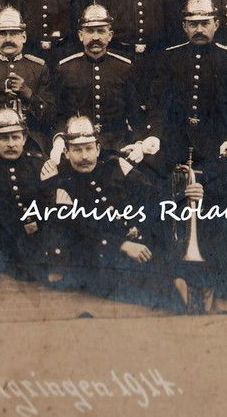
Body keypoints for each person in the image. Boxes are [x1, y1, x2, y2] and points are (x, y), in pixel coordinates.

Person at [144, 0, 227, 302]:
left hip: (217, 151)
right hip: (176, 149)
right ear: (184, 26)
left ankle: (220, 273)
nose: (200, 28)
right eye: (193, 23)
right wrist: (153, 136)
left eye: (206, 22)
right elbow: (156, 106)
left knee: (223, 204)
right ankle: (171, 271)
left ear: (216, 24)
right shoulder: (168, 59)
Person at [46, 116, 171, 308]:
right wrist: (122, 245)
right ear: (66, 152)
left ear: (97, 148)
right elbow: (77, 230)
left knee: (171, 267)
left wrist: (139, 226)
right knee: (139, 286)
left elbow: (152, 196)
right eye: (77, 150)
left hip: (136, 244)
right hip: (97, 256)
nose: (84, 156)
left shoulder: (116, 166)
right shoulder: (61, 182)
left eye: (89, 148)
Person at [0, 107, 57, 281]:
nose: (11, 143)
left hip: (39, 244)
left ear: (25, 138)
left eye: (15, 137)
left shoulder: (41, 165)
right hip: (3, 245)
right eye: (4, 138)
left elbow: (53, 209)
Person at [53, 4, 154, 155]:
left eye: (101, 31)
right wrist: (60, 139)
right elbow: (59, 114)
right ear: (81, 35)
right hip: (78, 145)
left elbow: (135, 113)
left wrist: (139, 143)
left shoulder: (125, 68)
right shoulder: (65, 69)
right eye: (90, 31)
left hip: (118, 145)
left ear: (110, 35)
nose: (95, 37)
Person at [0, 6, 54, 158]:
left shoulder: (39, 68)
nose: (8, 39)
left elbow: (50, 116)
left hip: (31, 142)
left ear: (23, 37)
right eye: (2, 34)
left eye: (13, 34)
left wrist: (28, 94)